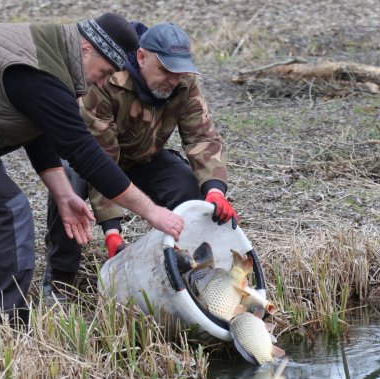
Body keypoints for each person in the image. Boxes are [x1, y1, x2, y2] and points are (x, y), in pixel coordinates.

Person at [0, 13, 185, 323]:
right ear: (87, 48)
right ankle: (8, 319)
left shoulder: (54, 54)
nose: (102, 82)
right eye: (105, 72)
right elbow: (84, 154)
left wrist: (64, 196)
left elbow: (39, 130)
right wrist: (152, 212)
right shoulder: (43, 74)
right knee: (7, 208)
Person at [43, 22, 238, 299]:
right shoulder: (107, 80)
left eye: (179, 72)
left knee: (186, 183)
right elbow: (101, 159)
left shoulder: (184, 82)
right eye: (166, 71)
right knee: (68, 183)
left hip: (145, 159)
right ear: (142, 57)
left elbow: (202, 137)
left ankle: (186, 269)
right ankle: (60, 282)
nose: (173, 80)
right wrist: (112, 231)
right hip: (92, 161)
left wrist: (216, 190)